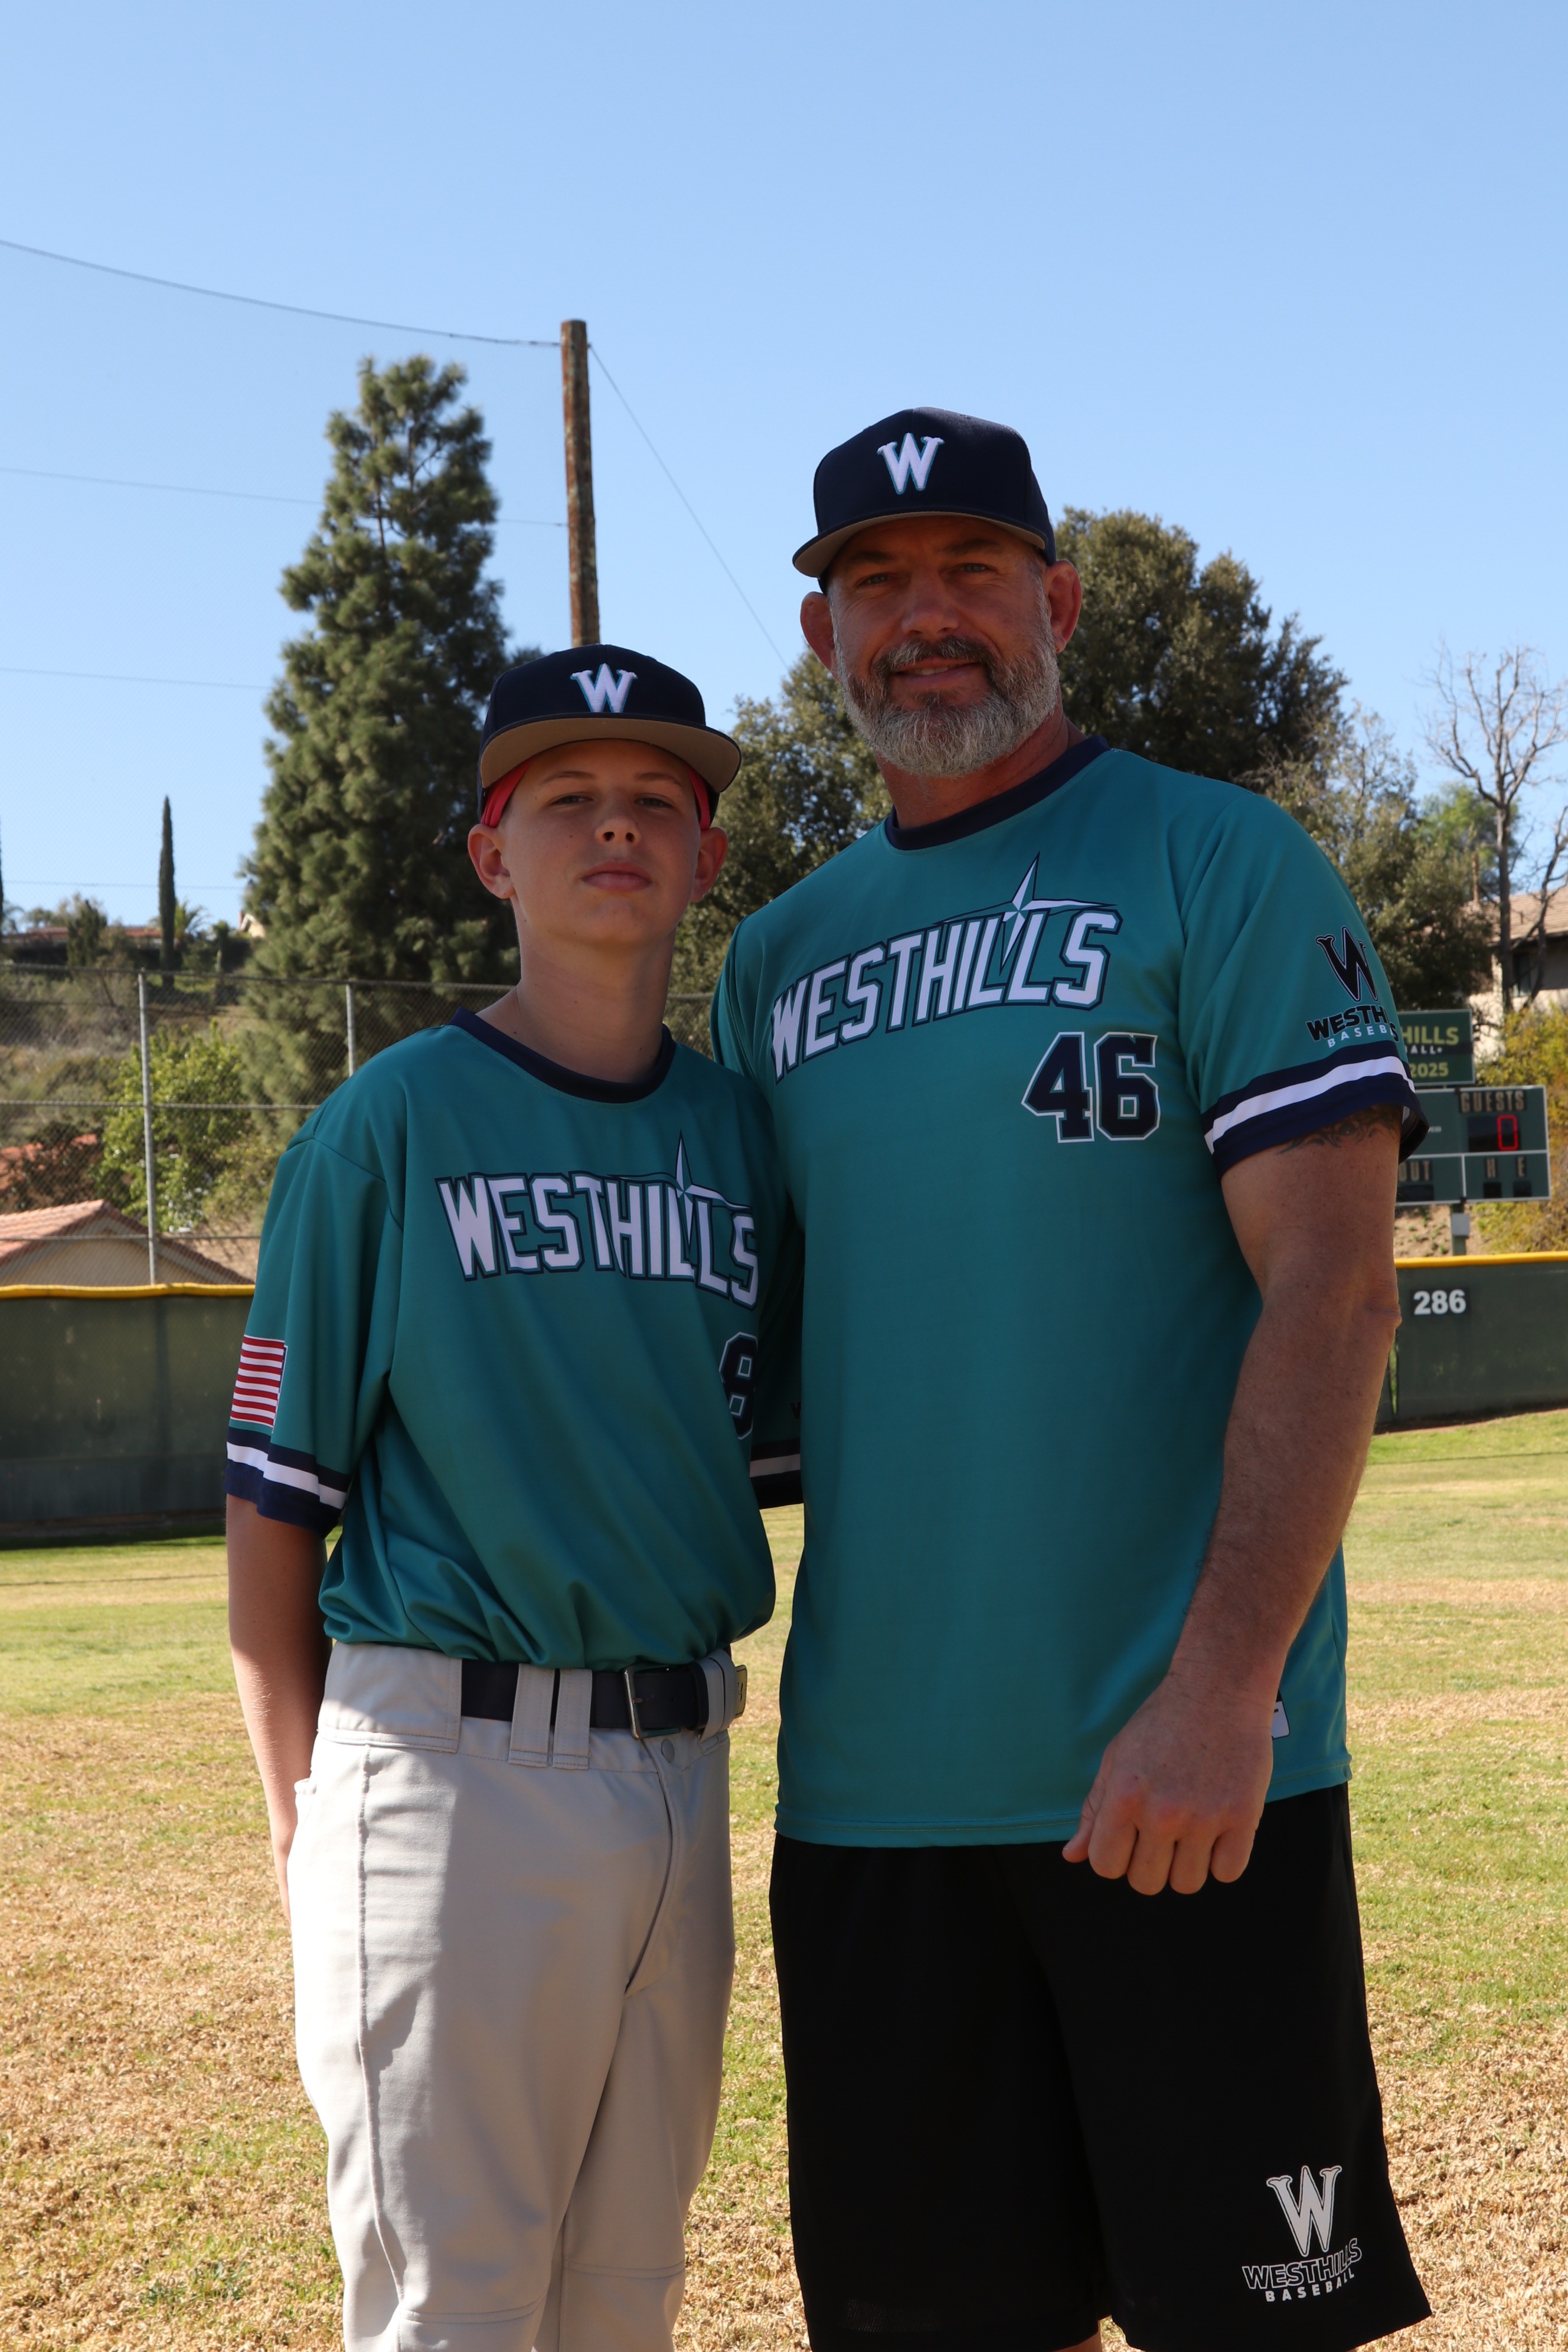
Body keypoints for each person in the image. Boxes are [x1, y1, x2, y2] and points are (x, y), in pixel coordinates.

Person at [713, 411, 1432, 2351]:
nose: (926, 617)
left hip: (1180, 1781)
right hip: (871, 1804)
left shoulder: (1218, 857)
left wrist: (1224, 1693)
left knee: (1257, 2322)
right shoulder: (776, 960)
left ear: (1060, 601)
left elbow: (1338, 1296)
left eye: (971, 570)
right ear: (823, 636)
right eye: (878, 583)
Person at [227, 644, 796, 2352]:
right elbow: (275, 1511)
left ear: (705, 854)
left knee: (625, 2305)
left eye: (655, 801)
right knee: (456, 2315)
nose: (615, 827)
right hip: (450, 1771)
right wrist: (304, 1811)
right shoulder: (388, 1124)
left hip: (684, 1769)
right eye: (567, 799)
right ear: (493, 853)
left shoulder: (744, 1139)